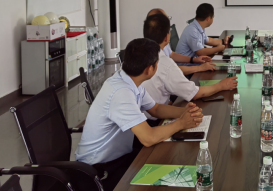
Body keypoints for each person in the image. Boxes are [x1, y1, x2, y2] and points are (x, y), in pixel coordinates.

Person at [75, 38, 204, 191]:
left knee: (175, 168)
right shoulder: (121, 93)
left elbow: (155, 109)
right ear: (149, 69)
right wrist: (181, 123)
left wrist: (186, 112)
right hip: (98, 172)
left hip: (118, 158)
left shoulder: (129, 81)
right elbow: (148, 138)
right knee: (173, 176)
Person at [143, 13, 238, 112]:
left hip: (147, 112)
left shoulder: (138, 54)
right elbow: (194, 93)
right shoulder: (165, 64)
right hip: (154, 116)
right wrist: (221, 85)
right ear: (167, 37)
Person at [147, 8, 216, 75]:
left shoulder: (160, 43)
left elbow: (172, 54)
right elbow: (171, 71)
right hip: (180, 72)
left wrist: (194, 59)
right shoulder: (154, 54)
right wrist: (199, 68)